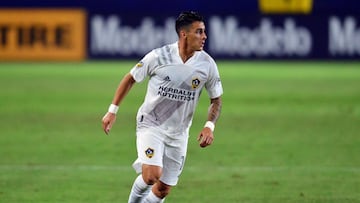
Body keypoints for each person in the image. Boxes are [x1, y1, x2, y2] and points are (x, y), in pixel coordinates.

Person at [101, 11, 223, 203]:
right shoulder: (159, 56)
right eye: (199, 32)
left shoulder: (207, 64)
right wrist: (112, 111)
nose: (205, 36)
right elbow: (130, 78)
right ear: (184, 34)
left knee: (163, 189)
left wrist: (209, 125)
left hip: (179, 132)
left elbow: (216, 100)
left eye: (204, 32)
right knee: (151, 176)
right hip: (151, 123)